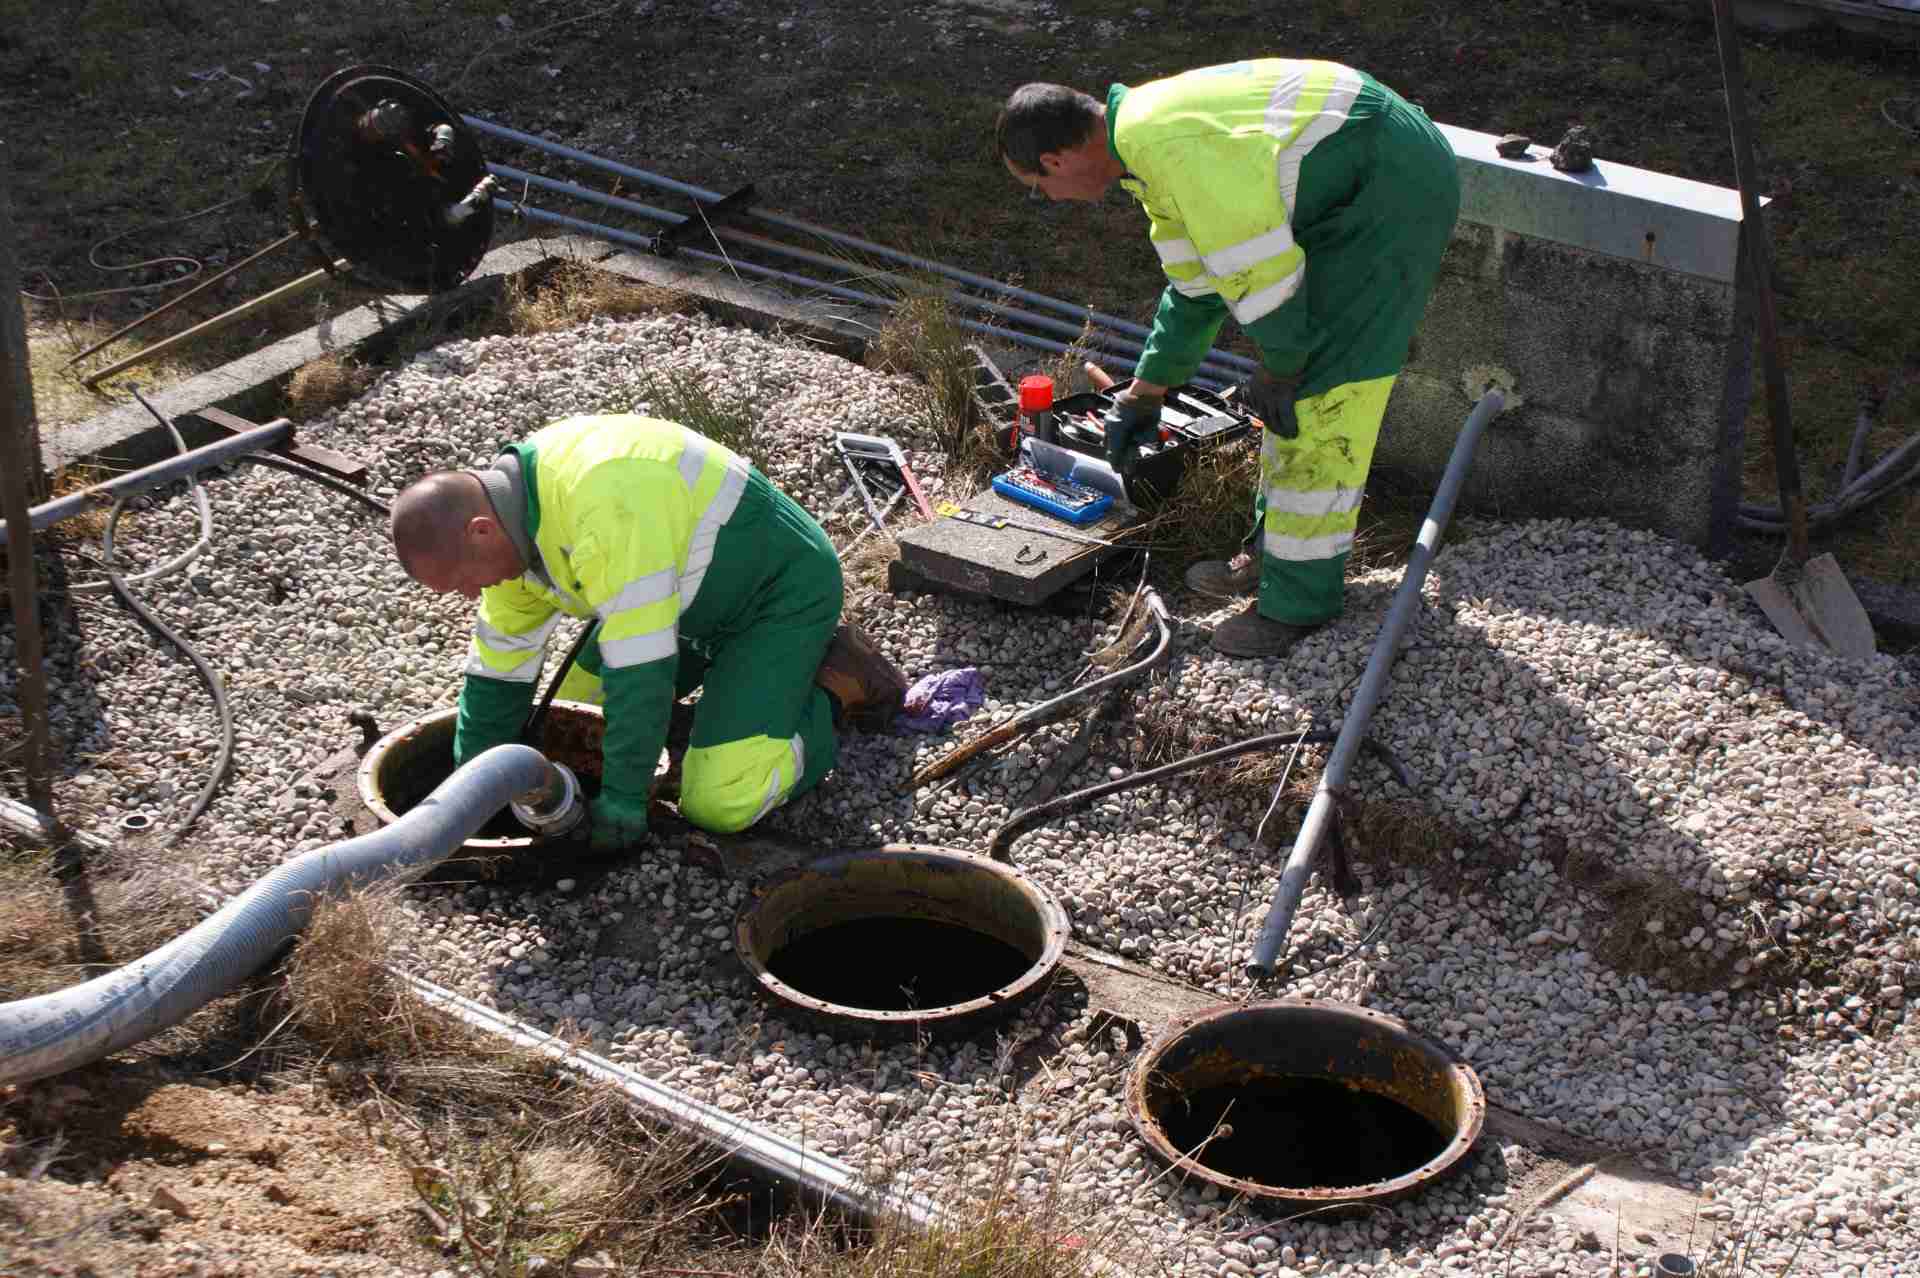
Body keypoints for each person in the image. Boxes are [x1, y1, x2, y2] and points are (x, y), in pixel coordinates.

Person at [997, 59, 1460, 657]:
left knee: (1321, 394)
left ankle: (1296, 606)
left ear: (1056, 160)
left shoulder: (1172, 146)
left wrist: (1285, 363)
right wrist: (1148, 388)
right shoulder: (1142, 148)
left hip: (1389, 189)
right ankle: (1274, 556)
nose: (1051, 198)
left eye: (1040, 188)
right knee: (1292, 390)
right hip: (1355, 177)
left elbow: (1256, 271)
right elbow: (1195, 286)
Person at [389, 412, 907, 849]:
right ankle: (736, 707)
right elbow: (498, 673)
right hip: (679, 601)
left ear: (479, 532)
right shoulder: (510, 526)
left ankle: (834, 686)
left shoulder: (605, 502)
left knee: (721, 800)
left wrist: (624, 799)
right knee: (567, 718)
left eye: (461, 583)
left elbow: (640, 672)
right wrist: (471, 793)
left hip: (774, 594)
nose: (467, 596)